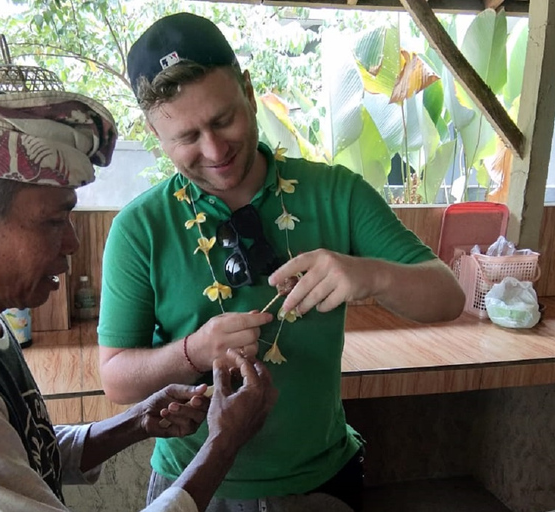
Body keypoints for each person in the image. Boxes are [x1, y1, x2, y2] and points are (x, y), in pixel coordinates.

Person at [96, 12, 466, 512]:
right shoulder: (140, 227)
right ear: (155, 133)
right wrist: (194, 350)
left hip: (319, 480)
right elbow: (117, 378)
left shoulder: (337, 194)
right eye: (187, 136)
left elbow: (447, 296)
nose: (214, 149)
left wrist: (370, 274)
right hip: (192, 487)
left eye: (224, 119)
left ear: (248, 91)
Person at [0, 87, 277, 512]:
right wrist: (222, 443)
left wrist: (134, 422)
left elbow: (20, 450)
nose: (72, 243)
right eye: (54, 221)